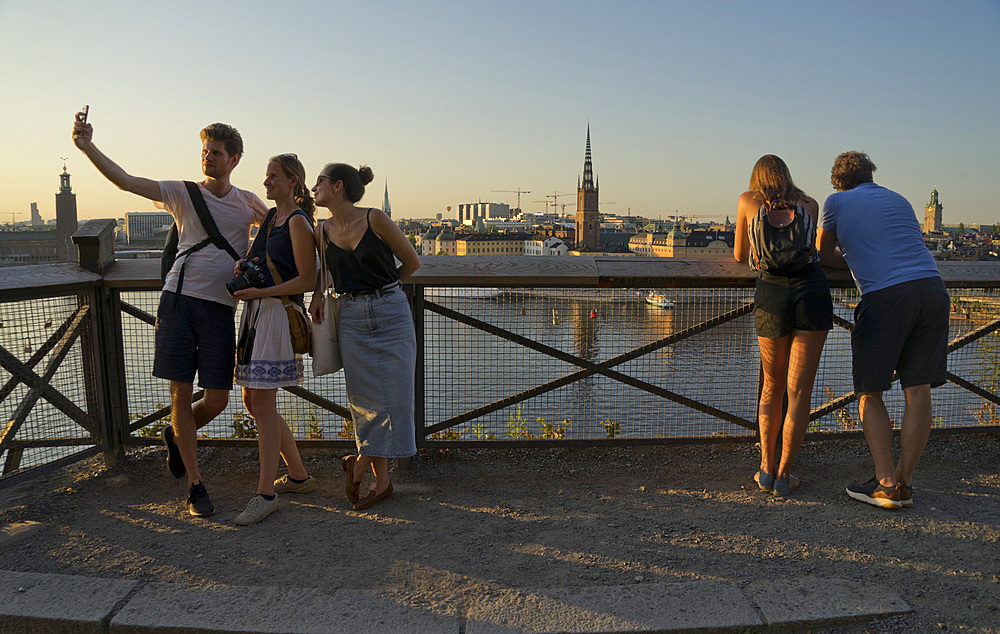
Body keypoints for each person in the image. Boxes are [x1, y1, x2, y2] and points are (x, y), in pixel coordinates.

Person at [73, 114, 267, 517]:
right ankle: (196, 486)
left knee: (217, 398)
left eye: (216, 153)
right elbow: (126, 181)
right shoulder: (182, 192)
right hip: (178, 302)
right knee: (179, 392)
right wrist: (87, 146)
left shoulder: (247, 201)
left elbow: (282, 229)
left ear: (234, 159)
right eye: (204, 151)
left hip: (220, 309)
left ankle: (177, 435)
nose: (207, 157)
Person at [817, 151, 949, 510]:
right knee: (918, 390)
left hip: (887, 297)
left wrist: (853, 256)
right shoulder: (899, 199)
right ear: (871, 175)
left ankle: (885, 483)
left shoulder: (836, 201)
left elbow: (822, 253)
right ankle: (905, 483)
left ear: (837, 181)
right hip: (933, 291)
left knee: (869, 392)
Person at [308, 163, 420, 511]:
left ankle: (358, 463)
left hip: (392, 313)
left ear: (338, 186)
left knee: (398, 399)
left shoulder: (375, 219)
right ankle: (382, 482)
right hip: (352, 317)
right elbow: (326, 274)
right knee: (365, 402)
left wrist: (384, 290)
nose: (315, 188)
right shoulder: (321, 230)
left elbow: (412, 262)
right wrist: (315, 294)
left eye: (320, 182)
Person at [734, 155, 833, 496]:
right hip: (812, 293)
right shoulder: (809, 204)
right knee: (799, 391)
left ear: (756, 177)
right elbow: (813, 250)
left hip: (772, 294)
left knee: (771, 387)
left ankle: (765, 469)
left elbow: (738, 254)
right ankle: (784, 475)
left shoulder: (748, 201)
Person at [230, 154, 317, 526]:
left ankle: (265, 493)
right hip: (257, 312)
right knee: (254, 400)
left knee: (262, 402)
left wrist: (258, 293)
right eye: (266, 176)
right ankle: (298, 476)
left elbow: (307, 281)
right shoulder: (270, 218)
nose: (266, 182)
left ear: (293, 181)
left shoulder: (298, 221)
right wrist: (242, 268)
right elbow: (256, 259)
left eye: (273, 176)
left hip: (275, 315)